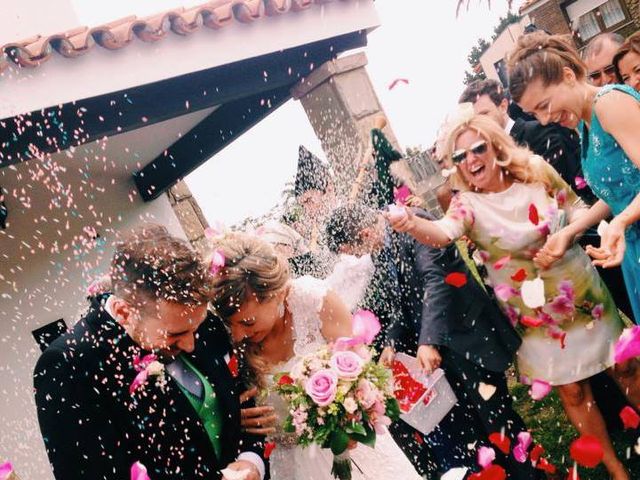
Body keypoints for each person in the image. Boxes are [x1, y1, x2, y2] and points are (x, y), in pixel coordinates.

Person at [386, 113, 639, 480]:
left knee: (627, 366)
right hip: (536, 320)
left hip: (582, 294)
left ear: (495, 146)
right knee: (571, 392)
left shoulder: (536, 171)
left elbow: (576, 207)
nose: (471, 161)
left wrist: (570, 234)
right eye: (460, 157)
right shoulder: (466, 204)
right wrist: (412, 223)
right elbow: (442, 233)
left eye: (477, 148)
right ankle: (618, 471)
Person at [325, 205, 542, 479]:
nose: (360, 256)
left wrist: (428, 341)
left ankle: (530, 475)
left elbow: (435, 281)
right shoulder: (381, 248)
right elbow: (401, 303)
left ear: (365, 233)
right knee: (475, 428)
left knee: (498, 422)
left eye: (355, 250)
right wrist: (391, 342)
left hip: (468, 337)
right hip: (444, 351)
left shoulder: (414, 224)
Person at [33, 225, 265, 480]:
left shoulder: (199, 321)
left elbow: (243, 403)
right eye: (174, 335)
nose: (190, 344)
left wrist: (250, 461)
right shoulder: (69, 364)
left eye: (194, 329)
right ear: (124, 312)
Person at [208, 233, 422, 480]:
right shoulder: (226, 337)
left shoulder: (313, 301)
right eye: (230, 324)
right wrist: (235, 418)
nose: (236, 334)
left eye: (247, 322)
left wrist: (353, 417)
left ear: (276, 293)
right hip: (291, 466)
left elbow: (366, 379)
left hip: (351, 449)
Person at [508, 30, 640, 326]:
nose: (543, 120)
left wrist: (620, 222)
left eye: (544, 105)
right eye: (533, 113)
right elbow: (618, 193)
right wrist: (570, 231)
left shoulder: (609, 104)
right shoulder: (583, 124)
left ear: (568, 75)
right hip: (633, 252)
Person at [459, 79, 596, 204]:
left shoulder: (539, 132)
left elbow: (557, 189)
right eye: (475, 119)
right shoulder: (484, 155)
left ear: (503, 107)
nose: (481, 123)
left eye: (484, 114)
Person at [291, 145, 337, 278]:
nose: (307, 210)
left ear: (328, 188)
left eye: (309, 201)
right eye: (302, 205)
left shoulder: (354, 210)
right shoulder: (314, 235)